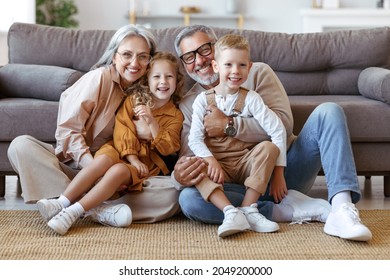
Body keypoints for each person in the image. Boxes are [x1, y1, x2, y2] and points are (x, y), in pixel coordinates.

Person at [173, 25, 372, 242]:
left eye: (204, 49)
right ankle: (283, 210)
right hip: (231, 184)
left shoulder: (257, 72)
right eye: (189, 56)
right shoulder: (189, 102)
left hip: (283, 174)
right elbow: (189, 155)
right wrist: (179, 176)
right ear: (184, 64)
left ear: (217, 47)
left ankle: (342, 209)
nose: (199, 60)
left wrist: (229, 125)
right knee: (189, 200)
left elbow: (283, 125)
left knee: (329, 111)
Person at [7, 24, 180, 227]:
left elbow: (168, 134)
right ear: (114, 56)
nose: (135, 63)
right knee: (20, 146)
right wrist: (95, 170)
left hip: (116, 174)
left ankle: (79, 204)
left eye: (142, 56)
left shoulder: (145, 91)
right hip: (79, 168)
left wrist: (149, 132)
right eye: (127, 55)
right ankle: (93, 208)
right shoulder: (99, 78)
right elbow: (68, 132)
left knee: (172, 195)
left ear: (149, 61)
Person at [35, 52, 184, 235]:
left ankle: (74, 212)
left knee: (118, 171)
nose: (163, 81)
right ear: (147, 80)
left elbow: (170, 147)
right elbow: (122, 128)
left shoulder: (176, 115)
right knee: (102, 161)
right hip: (118, 148)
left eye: (169, 76)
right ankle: (62, 202)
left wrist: (152, 123)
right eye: (157, 76)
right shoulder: (134, 100)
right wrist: (132, 157)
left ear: (177, 81)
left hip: (145, 163)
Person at [188, 34, 287, 237]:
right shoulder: (201, 100)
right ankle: (230, 212)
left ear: (249, 68)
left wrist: (278, 173)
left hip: (245, 163)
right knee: (194, 164)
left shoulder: (252, 98)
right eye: (228, 65)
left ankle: (249, 208)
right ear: (216, 66)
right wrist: (210, 160)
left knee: (269, 147)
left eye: (242, 65)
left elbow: (277, 130)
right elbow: (194, 139)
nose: (235, 71)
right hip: (218, 167)